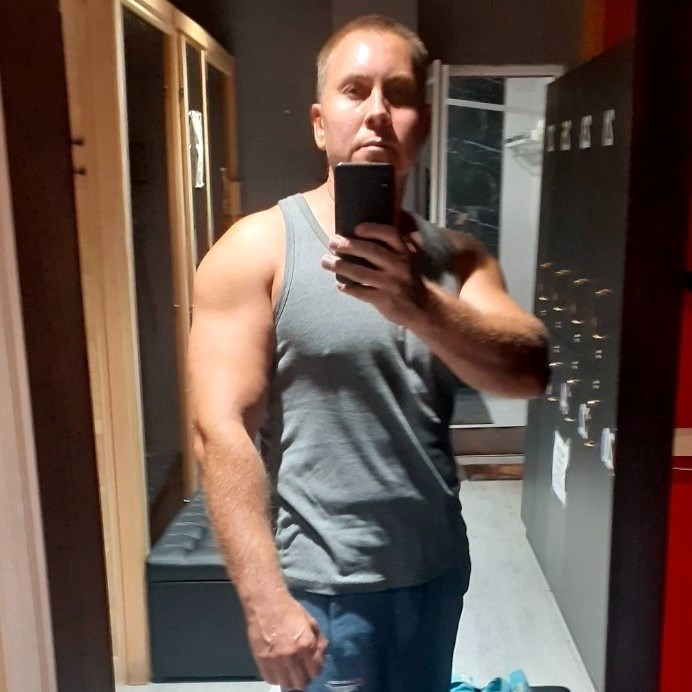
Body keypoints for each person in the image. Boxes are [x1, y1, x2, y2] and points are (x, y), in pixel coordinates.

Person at [188, 15, 548, 692]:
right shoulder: (256, 250)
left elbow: (529, 371)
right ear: (320, 123)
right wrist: (264, 602)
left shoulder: (458, 258)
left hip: (437, 570)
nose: (378, 111)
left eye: (399, 94)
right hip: (324, 588)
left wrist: (419, 304)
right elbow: (220, 430)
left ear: (423, 122)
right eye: (355, 90)